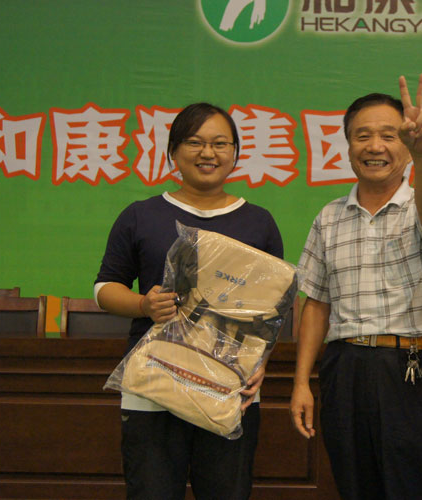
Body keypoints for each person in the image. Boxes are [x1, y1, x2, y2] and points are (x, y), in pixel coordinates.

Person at [95, 102, 283, 500]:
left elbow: (272, 309)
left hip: (230, 387)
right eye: (195, 142)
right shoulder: (140, 215)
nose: (208, 153)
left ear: (235, 152)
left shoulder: (259, 222)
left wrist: (261, 363)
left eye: (220, 143)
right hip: (153, 385)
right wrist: (144, 306)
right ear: (173, 152)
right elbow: (105, 289)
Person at [289, 73, 422, 500]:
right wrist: (302, 382)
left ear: (406, 145)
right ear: (348, 148)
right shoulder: (329, 217)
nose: (374, 146)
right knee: (353, 485)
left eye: (388, 135)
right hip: (343, 367)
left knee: (407, 488)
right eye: (362, 136)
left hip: (408, 367)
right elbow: (315, 303)